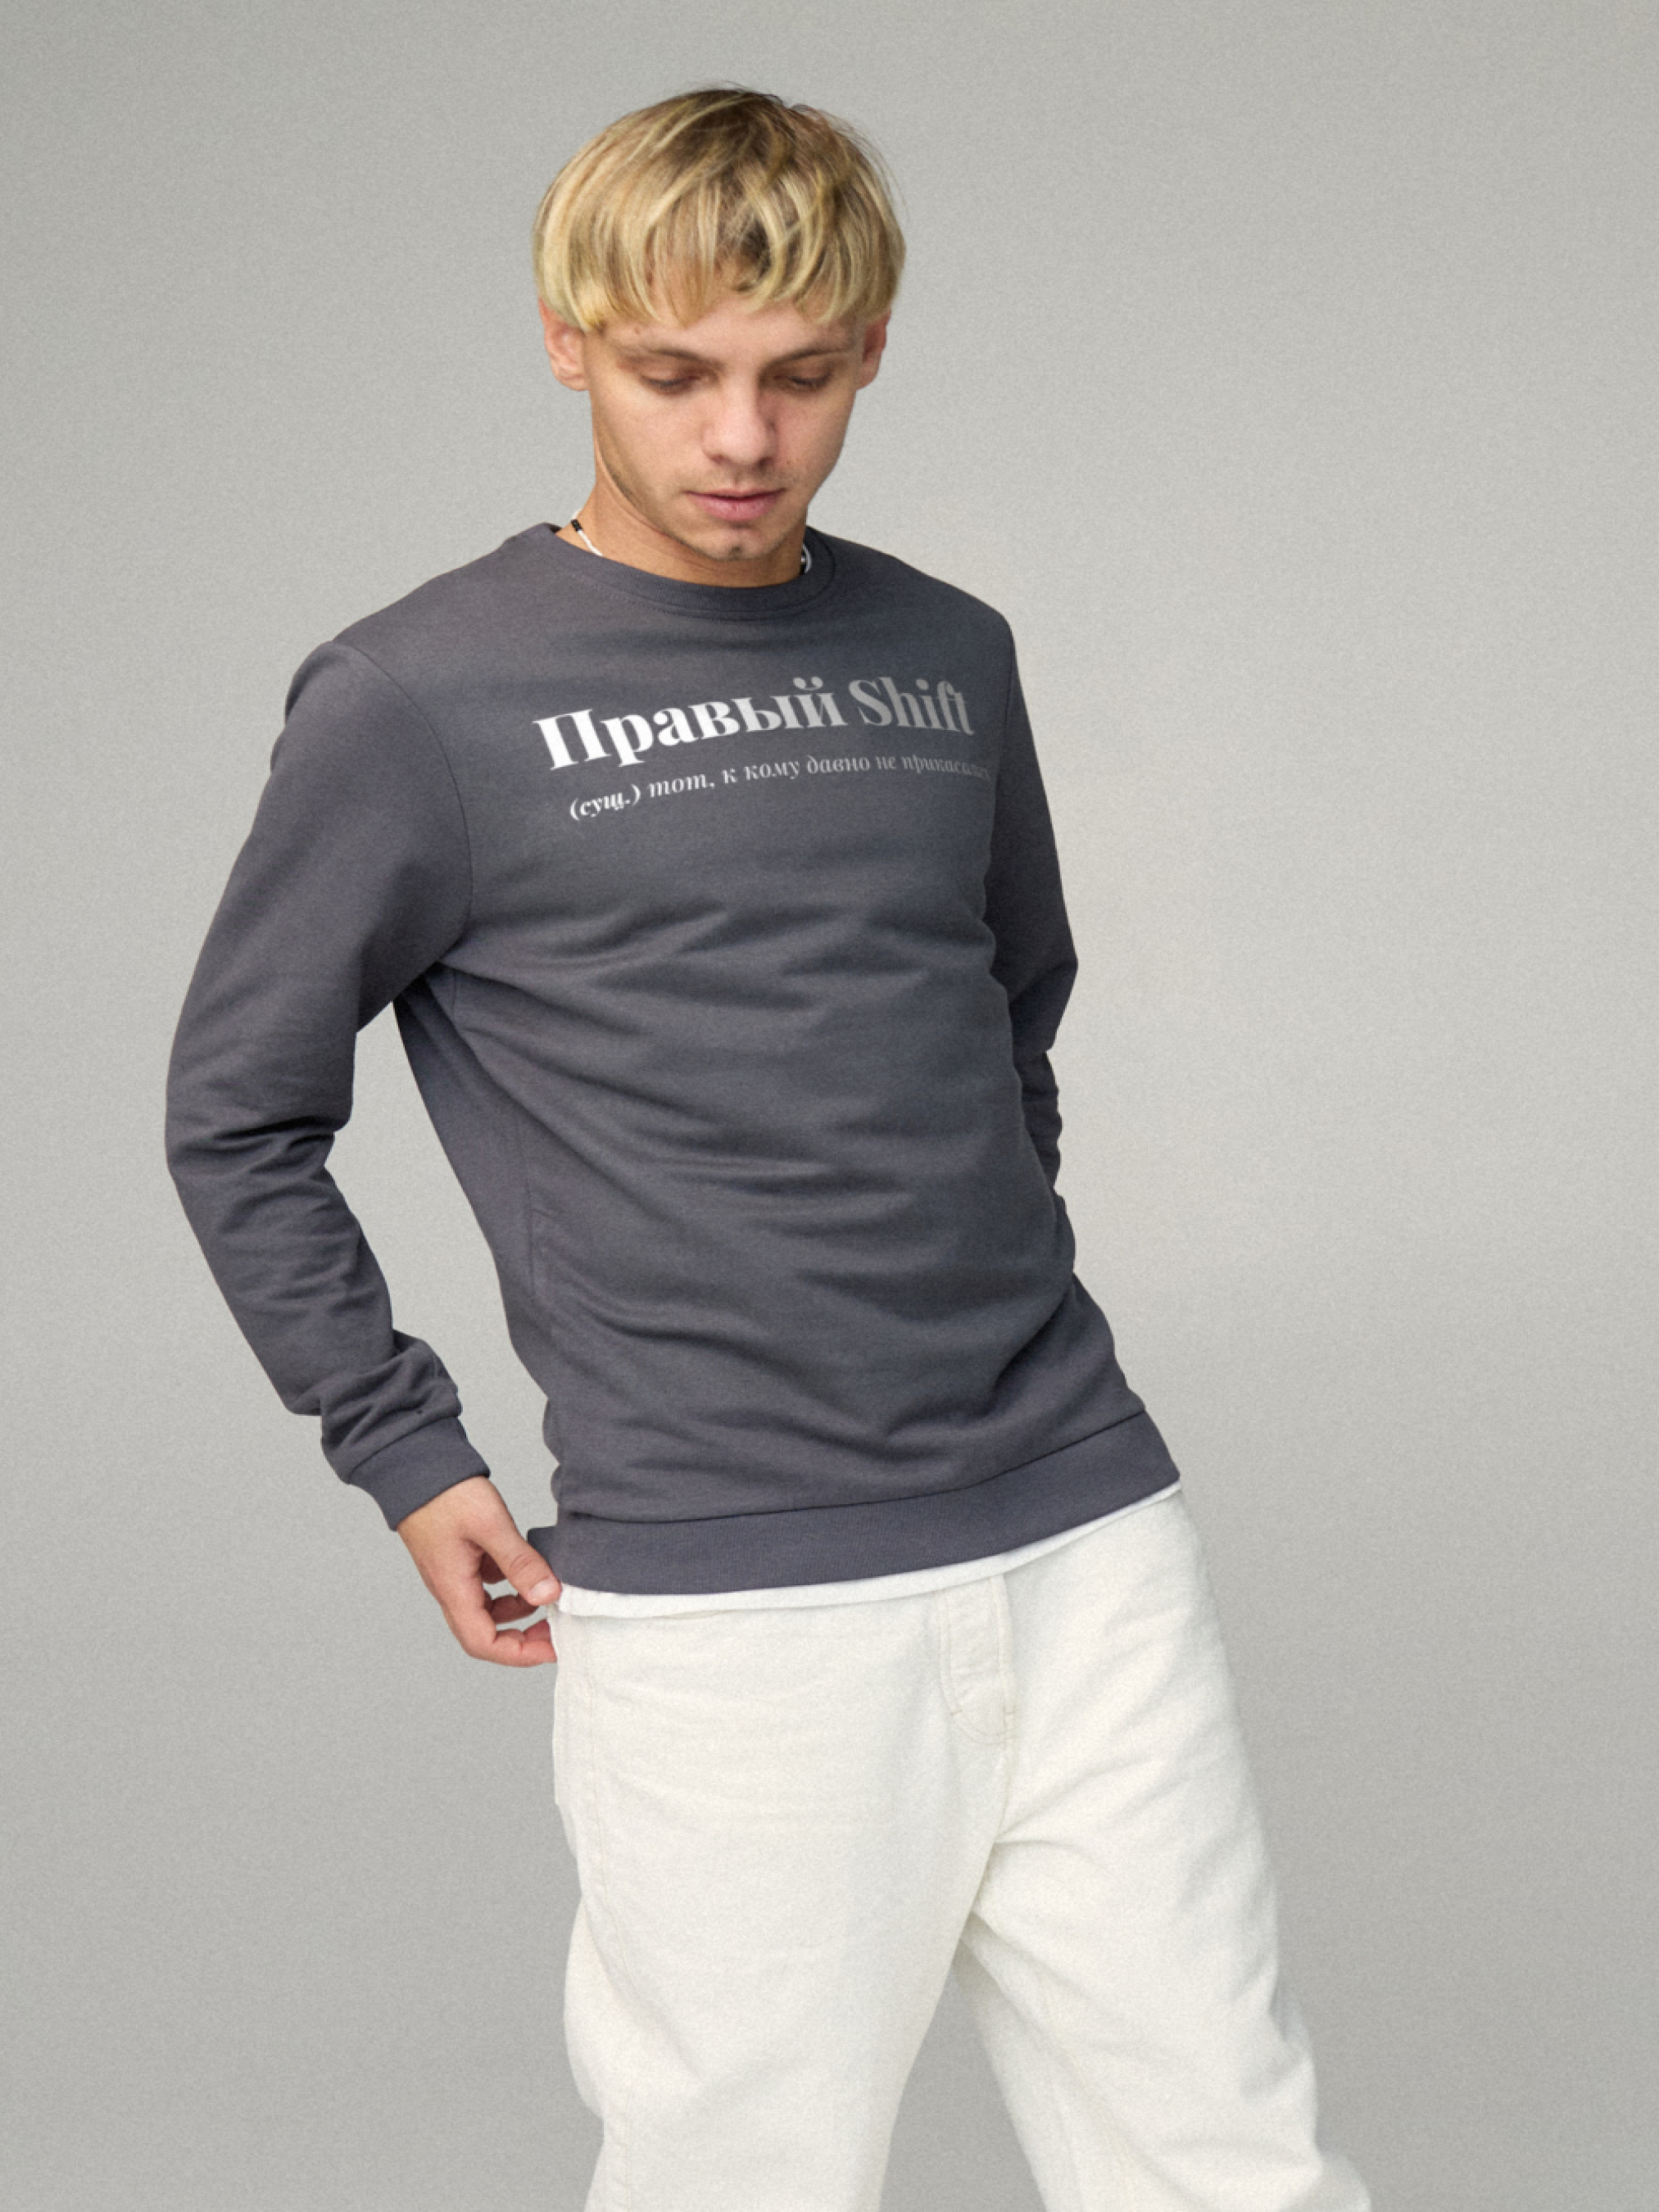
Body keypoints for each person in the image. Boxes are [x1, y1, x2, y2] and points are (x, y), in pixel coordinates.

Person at [165, 85, 1371, 2212]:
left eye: (801, 376)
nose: (743, 436)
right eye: (676, 373)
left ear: (871, 351)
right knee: (746, 2175)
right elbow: (237, 1110)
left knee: (1228, 2160)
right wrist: (402, 1446)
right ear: (567, 341)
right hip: (732, 1594)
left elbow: (1005, 1006)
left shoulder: (946, 652)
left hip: (1086, 1533)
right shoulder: (416, 699)